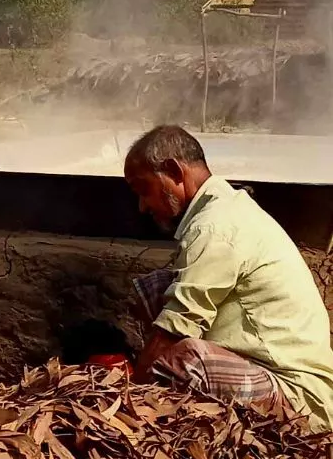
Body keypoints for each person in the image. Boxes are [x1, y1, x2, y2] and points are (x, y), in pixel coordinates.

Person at [124, 124, 333, 431]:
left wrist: (128, 395)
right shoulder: (218, 211)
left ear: (173, 171)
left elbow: (175, 328)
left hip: (298, 396)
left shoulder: (215, 226)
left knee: (184, 360)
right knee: (157, 289)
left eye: (143, 190)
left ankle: (156, 413)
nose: (142, 206)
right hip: (261, 365)